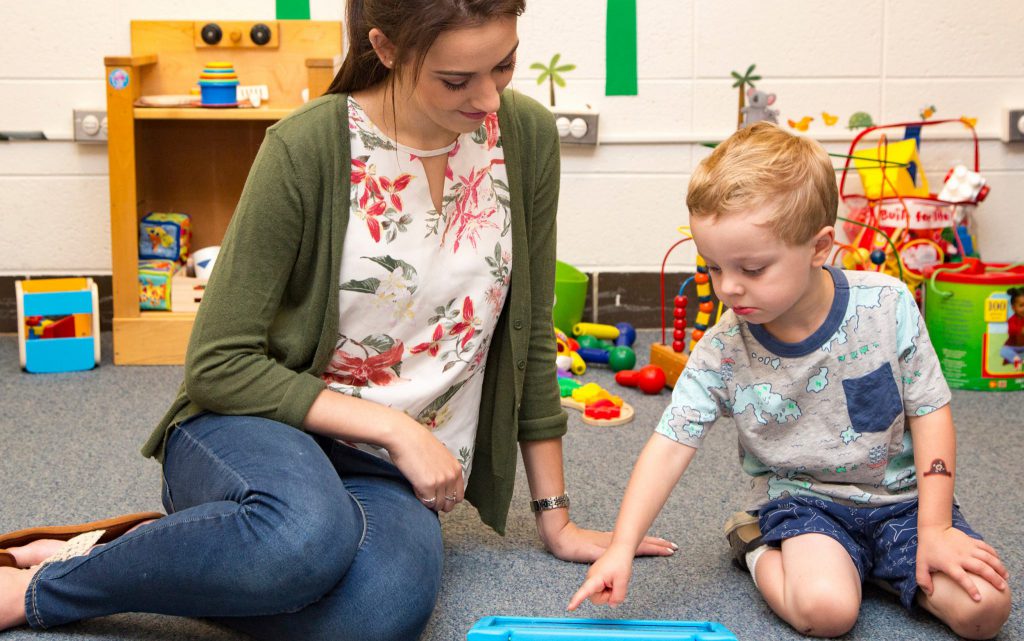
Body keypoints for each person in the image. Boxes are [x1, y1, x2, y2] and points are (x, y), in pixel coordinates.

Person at [0, 1, 674, 638]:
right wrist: (395, 429)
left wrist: (555, 518)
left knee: (376, 616)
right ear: (384, 48)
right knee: (302, 538)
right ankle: (48, 586)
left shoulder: (523, 137)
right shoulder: (308, 146)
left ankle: (208, 549)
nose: (488, 98)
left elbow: (526, 336)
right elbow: (217, 365)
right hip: (257, 426)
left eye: (503, 65)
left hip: (386, 475)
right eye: (456, 79)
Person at [568, 122, 1012, 639]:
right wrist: (622, 546)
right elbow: (669, 445)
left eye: (753, 268)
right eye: (713, 267)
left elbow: (931, 412)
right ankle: (758, 542)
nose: (729, 288)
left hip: (905, 502)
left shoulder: (888, 305)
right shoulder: (722, 349)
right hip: (805, 503)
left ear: (820, 246)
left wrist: (934, 529)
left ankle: (874, 564)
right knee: (828, 613)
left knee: (986, 611)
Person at [1000, 287, 1024, 370]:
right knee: (1003, 351)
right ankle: (1016, 359)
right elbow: (1011, 331)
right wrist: (1021, 330)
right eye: (1021, 306)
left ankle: (1019, 358)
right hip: (1011, 346)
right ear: (1014, 308)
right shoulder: (1012, 320)